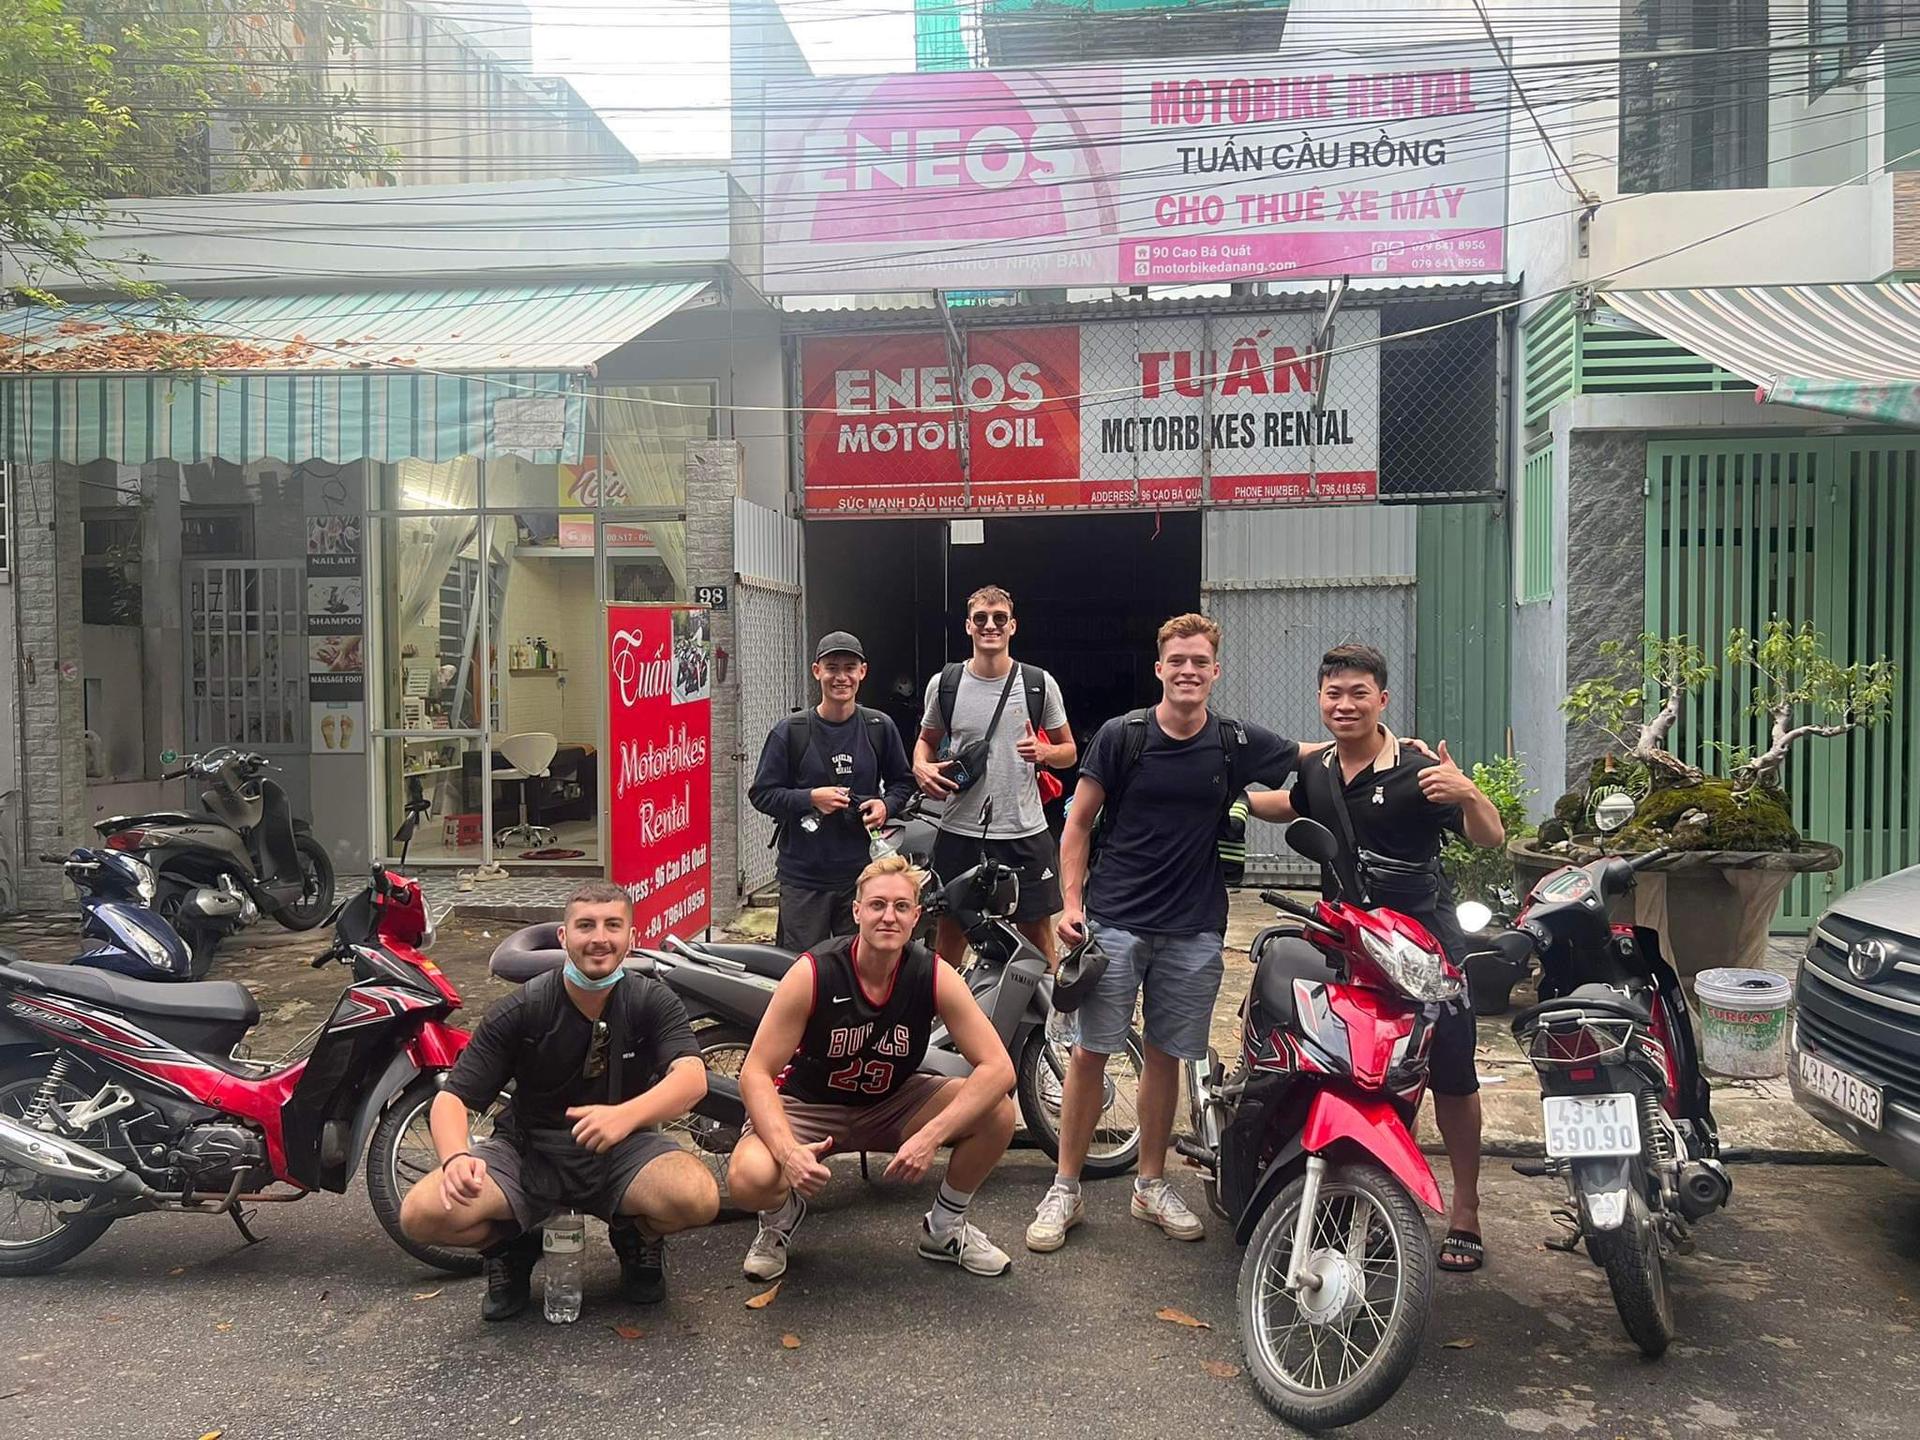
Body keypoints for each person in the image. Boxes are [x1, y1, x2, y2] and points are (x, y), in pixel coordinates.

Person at [1029, 613, 1302, 1253]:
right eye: (1176, 660)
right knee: (1091, 1052)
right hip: (1117, 921)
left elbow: (1305, 757)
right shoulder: (1123, 737)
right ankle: (1065, 1185)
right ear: (1160, 668)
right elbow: (1078, 824)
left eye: (1199, 661)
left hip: (1195, 929)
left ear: (1215, 670)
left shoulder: (1234, 741)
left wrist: (1378, 746)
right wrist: (1071, 904)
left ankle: (1150, 1184)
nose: (1187, 670)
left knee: (1165, 1056)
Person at [1246, 642, 1506, 1274]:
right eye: (1333, 693)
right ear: (1320, 698)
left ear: (1382, 699)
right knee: (1347, 1063)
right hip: (1345, 943)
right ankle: (1358, 1194)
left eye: (1359, 693)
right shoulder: (1317, 771)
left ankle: (1465, 1209)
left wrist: (1470, 794)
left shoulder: (1418, 768)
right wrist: (1209, 796)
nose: (1345, 704)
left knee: (1448, 1073)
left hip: (1424, 947)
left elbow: (1491, 836)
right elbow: (1285, 806)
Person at [400, 883, 719, 1321]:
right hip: (529, 1151)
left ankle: (636, 1238)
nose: (599, 938)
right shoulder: (524, 1008)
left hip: (622, 1149)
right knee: (421, 1214)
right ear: (564, 937)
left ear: (632, 935)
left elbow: (692, 1079)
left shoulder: (652, 1000)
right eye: (585, 925)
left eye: (613, 925)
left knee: (697, 1196)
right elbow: (453, 1098)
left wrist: (626, 1117)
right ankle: (509, 1247)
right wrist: (456, 1157)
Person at [727, 854, 1019, 1280]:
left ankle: (945, 1227)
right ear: (857, 911)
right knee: (748, 1177)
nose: (889, 916)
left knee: (998, 1111)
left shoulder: (931, 973)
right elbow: (755, 1072)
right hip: (809, 1106)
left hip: (892, 1103)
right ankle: (779, 1219)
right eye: (878, 905)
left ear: (916, 917)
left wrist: (930, 1139)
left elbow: (999, 1068)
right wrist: (788, 1154)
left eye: (901, 907)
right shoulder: (815, 972)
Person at [913, 585, 1075, 968]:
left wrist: (1046, 753)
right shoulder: (945, 684)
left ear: (1012, 626)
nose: (991, 626)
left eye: (999, 618)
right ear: (968, 627)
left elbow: (1069, 753)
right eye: (982, 619)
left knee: (1037, 933)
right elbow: (925, 741)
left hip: (1023, 829)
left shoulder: (1038, 683)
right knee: (952, 932)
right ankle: (941, 1019)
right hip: (960, 830)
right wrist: (921, 766)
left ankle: (1047, 1023)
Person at [750, 631, 916, 952]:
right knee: (801, 972)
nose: (841, 677)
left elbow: (903, 782)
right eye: (832, 667)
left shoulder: (879, 727)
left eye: (849, 668)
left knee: (858, 969)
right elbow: (762, 794)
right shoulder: (791, 731)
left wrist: (885, 806)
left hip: (862, 875)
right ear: (817, 671)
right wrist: (811, 798)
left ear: (862, 672)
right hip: (803, 879)